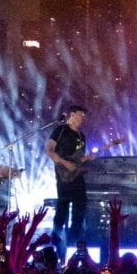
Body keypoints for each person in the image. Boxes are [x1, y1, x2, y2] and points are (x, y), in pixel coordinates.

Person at [46, 105, 94, 258]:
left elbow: (78, 158)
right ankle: (56, 237)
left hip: (77, 173)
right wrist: (64, 163)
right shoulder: (60, 130)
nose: (82, 118)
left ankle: (73, 236)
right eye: (80, 115)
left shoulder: (81, 135)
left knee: (81, 203)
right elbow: (49, 150)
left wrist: (87, 158)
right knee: (63, 205)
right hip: (63, 173)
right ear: (71, 115)